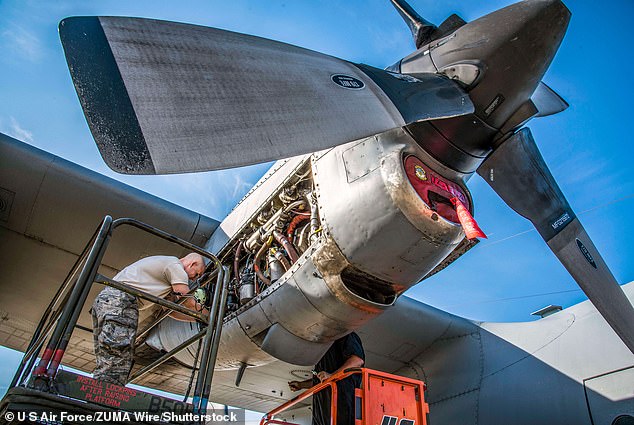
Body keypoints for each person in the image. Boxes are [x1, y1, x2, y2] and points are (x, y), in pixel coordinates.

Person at [91, 253, 206, 385]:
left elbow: (172, 312)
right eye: (197, 274)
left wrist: (197, 319)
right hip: (122, 300)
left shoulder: (165, 277)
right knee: (119, 351)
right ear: (192, 264)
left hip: (105, 302)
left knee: (108, 353)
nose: (193, 279)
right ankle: (107, 394)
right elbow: (185, 299)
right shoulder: (175, 265)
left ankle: (99, 390)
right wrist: (209, 314)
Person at [288, 332, 365, 425]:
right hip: (321, 413)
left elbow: (357, 360)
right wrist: (301, 385)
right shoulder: (323, 350)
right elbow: (321, 381)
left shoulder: (345, 335)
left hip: (341, 407)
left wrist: (332, 376)